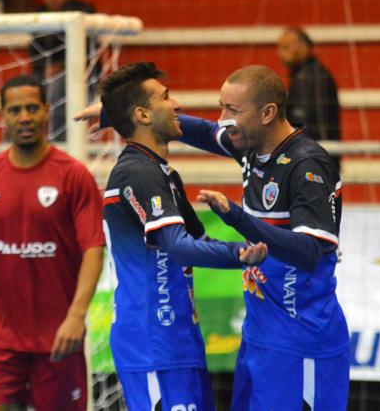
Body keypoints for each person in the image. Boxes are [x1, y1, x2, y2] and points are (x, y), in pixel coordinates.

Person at [75, 65, 350, 410]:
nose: (222, 120)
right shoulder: (249, 147)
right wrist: (120, 114)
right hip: (257, 337)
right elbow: (205, 133)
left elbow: (310, 252)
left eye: (232, 111)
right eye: (221, 107)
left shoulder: (308, 165)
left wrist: (239, 221)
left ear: (267, 114)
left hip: (302, 342)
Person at [98, 62, 268, 411]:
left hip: (179, 341)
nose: (177, 106)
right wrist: (239, 253)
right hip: (152, 343)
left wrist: (281, 247)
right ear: (143, 115)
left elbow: (198, 242)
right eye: (166, 98)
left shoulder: (164, 174)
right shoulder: (138, 172)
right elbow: (178, 248)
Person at [0, 74, 105, 411]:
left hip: (58, 338)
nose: (24, 117)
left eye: (32, 108)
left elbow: (94, 249)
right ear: (3, 117)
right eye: (14, 110)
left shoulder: (74, 176)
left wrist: (76, 316)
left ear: (46, 110)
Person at [28, 0, 97, 141]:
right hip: (46, 73)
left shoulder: (84, 12)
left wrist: (62, 67)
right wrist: (45, 68)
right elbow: (34, 52)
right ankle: (21, 141)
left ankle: (59, 143)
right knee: (25, 87)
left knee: (58, 86)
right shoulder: (38, 16)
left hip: (83, 76)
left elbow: (89, 52)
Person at [277, 27, 341, 169]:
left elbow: (306, 123)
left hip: (312, 161)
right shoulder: (307, 75)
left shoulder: (310, 78)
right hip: (314, 159)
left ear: (302, 46)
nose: (280, 53)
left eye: (286, 47)